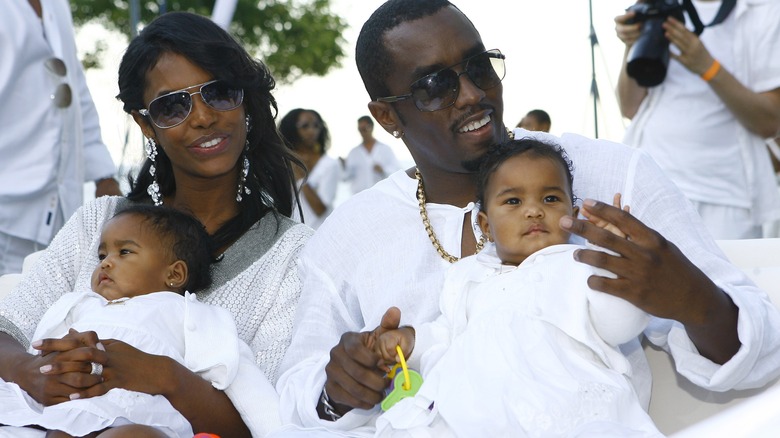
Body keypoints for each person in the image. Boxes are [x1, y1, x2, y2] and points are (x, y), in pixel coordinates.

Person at [275, 0, 780, 435]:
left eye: (479, 67)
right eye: (435, 86)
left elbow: (761, 350)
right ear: (387, 116)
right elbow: (294, 397)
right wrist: (338, 390)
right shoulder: (349, 236)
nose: (472, 94)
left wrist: (693, 300)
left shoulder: (613, 174)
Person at [0, 11, 311, 438]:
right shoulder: (100, 221)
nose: (202, 117)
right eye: (173, 105)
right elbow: (6, 328)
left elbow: (271, 419)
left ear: (244, 100)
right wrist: (33, 371)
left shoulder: (293, 255)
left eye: (219, 93)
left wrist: (163, 375)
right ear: (146, 124)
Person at [372, 138, 658, 436]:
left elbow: (620, 326)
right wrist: (410, 342)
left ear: (573, 217)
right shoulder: (468, 277)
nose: (533, 211)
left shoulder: (581, 265)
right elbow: (446, 335)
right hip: (477, 411)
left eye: (550, 199)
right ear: (486, 226)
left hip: (565, 401)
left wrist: (614, 262)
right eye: (513, 201)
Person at [0, 205, 279, 438]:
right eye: (102, 255)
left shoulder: (191, 314)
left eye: (124, 252)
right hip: (71, 404)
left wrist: (278, 430)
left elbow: (245, 384)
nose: (106, 263)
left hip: (142, 410)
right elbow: (43, 347)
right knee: (59, 430)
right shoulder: (82, 304)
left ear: (175, 274)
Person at [615, 0, 780, 239]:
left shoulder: (765, 10)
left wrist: (708, 67)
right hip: (650, 185)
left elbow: (770, 122)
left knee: (719, 278)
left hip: (724, 195)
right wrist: (632, 46)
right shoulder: (660, 5)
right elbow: (629, 108)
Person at [0, 0, 122, 276]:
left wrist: (105, 177)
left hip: (60, 209)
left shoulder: (56, 4)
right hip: (6, 208)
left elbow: (75, 87)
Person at [280, 108, 340, 229]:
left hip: (320, 232)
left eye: (316, 125)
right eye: (305, 126)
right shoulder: (282, 162)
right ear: (291, 129)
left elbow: (320, 209)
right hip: (289, 234)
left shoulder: (329, 164)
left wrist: (301, 177)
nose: (312, 131)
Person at [343, 116, 401, 195]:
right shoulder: (353, 153)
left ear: (372, 127)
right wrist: (342, 166)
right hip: (359, 197)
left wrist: (383, 170)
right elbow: (345, 177)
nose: (363, 132)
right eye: (360, 129)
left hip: (381, 196)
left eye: (365, 128)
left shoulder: (385, 149)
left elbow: (397, 171)